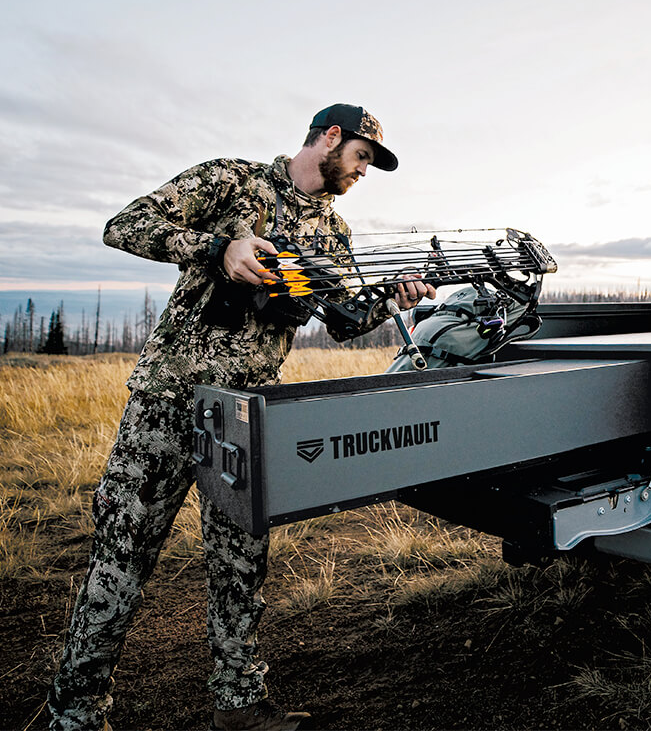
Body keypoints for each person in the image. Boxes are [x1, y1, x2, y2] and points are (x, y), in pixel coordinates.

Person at [48, 104, 435, 731]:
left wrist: (391, 298)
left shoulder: (333, 234)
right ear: (331, 137)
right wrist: (219, 248)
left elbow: (339, 322)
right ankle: (75, 712)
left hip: (246, 417)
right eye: (363, 156)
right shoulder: (232, 181)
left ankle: (239, 704)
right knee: (122, 555)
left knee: (241, 561)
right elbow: (124, 225)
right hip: (169, 402)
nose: (365, 172)